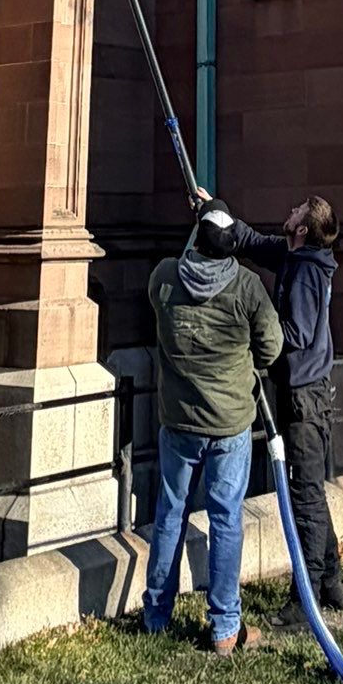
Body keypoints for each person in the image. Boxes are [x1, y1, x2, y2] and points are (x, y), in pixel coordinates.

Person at [141, 201, 283, 653]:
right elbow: (272, 347)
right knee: (225, 519)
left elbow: (168, 293)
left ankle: (155, 616)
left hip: (179, 421)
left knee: (170, 513)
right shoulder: (247, 287)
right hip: (229, 424)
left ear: (196, 238)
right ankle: (224, 628)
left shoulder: (163, 277)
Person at [210, 191, 343, 614]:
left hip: (306, 398)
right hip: (302, 392)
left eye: (296, 212)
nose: (288, 212)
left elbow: (298, 333)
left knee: (305, 499)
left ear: (303, 228)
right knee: (311, 493)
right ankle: (331, 583)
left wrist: (255, 334)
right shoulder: (294, 257)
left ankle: (303, 602)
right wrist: (212, 209)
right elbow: (251, 242)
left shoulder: (307, 271)